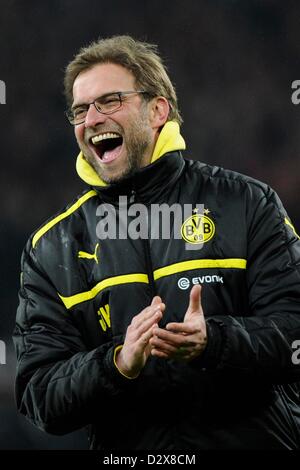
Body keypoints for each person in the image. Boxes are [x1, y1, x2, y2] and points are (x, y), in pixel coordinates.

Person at [14, 35, 300, 450]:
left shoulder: (246, 204)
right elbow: (38, 393)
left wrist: (214, 342)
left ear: (157, 111)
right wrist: (116, 365)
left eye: (109, 101)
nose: (91, 119)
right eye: (80, 110)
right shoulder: (51, 247)